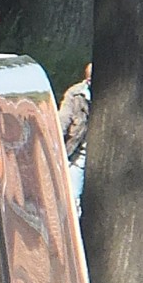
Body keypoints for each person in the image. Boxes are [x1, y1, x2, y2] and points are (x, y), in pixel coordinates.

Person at [58, 62, 91, 217]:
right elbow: (62, 121)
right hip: (77, 154)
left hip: (89, 153)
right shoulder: (76, 94)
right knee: (73, 199)